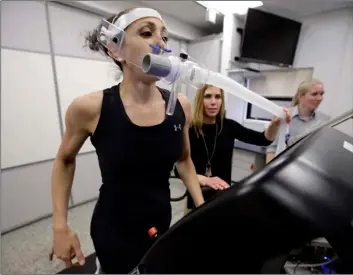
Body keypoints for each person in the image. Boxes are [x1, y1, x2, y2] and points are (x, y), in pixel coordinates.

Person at [50, 7, 204, 274]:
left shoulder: (181, 105)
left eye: (164, 37)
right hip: (113, 230)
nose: (160, 43)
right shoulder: (90, 108)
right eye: (147, 33)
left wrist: (202, 209)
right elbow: (64, 161)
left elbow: (184, 160)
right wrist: (60, 226)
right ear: (116, 49)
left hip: (160, 221)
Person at [175, 84, 291, 212]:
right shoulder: (190, 130)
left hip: (223, 197)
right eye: (208, 96)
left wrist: (274, 124)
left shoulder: (229, 126)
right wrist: (205, 180)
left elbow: (263, 139)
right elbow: (178, 170)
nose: (213, 102)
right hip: (195, 200)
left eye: (217, 97)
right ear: (199, 100)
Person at [266, 79, 331, 163]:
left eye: (321, 94)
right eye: (314, 94)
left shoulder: (325, 120)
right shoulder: (284, 116)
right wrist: (270, 173)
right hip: (285, 165)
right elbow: (272, 149)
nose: (320, 98)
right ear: (301, 96)